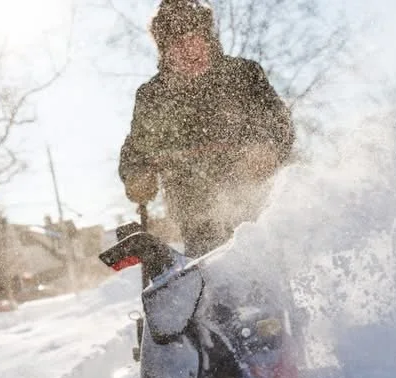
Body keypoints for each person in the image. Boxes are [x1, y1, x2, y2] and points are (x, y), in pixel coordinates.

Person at [118, 0, 295, 258]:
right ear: (164, 51)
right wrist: (137, 176)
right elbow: (136, 151)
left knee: (260, 283)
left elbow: (278, 121)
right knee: (212, 290)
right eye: (176, 44)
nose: (187, 49)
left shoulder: (243, 75)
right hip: (196, 219)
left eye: (193, 38)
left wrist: (266, 147)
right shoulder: (154, 97)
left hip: (254, 208)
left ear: (208, 38)